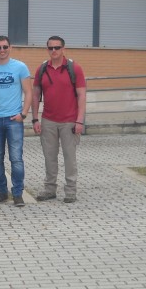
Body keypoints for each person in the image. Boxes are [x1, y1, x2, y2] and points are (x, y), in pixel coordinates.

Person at [32, 36, 86, 203]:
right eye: (51, 48)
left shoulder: (74, 68)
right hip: (48, 121)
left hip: (69, 121)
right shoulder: (42, 69)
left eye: (57, 47)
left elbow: (81, 95)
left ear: (64, 48)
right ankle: (50, 189)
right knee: (49, 157)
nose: (54, 51)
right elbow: (35, 95)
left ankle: (70, 191)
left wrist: (79, 121)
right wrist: (35, 119)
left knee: (70, 157)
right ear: (47, 49)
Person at [0, 35, 32, 207]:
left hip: (13, 120)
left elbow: (29, 92)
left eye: (4, 47)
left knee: (16, 158)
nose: (2, 50)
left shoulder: (20, 67)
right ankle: (1, 192)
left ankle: (17, 193)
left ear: (10, 47)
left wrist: (23, 114)